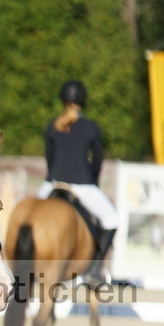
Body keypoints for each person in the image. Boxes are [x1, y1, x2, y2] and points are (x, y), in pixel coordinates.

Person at [37, 80, 119, 281]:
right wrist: (93, 182)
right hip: (82, 184)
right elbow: (97, 160)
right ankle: (94, 269)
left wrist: (53, 178)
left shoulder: (52, 125)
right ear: (82, 101)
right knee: (111, 219)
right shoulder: (91, 127)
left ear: (63, 100)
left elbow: (50, 158)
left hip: (53, 183)